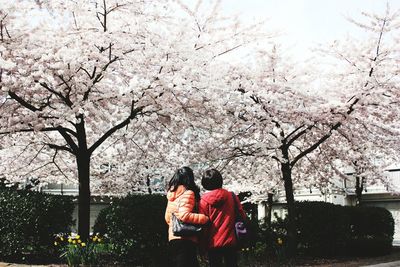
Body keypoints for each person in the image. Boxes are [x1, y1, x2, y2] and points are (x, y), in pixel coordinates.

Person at [199, 169, 247, 267]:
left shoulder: (203, 201)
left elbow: (203, 225)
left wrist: (202, 247)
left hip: (212, 243)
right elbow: (242, 216)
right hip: (231, 241)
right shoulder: (231, 196)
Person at [165, 166, 209, 267]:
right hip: (186, 238)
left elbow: (167, 218)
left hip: (173, 237)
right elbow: (184, 215)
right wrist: (204, 218)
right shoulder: (188, 193)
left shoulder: (172, 195)